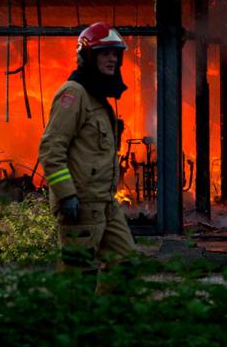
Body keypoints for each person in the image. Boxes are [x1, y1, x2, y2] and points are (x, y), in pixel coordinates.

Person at [38, 22, 135, 275]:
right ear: (88, 57)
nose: (112, 58)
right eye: (104, 53)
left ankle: (106, 314)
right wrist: (67, 194)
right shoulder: (74, 94)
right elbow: (51, 149)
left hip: (104, 203)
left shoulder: (98, 99)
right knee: (78, 275)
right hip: (81, 205)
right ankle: (74, 314)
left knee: (124, 263)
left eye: (115, 53)